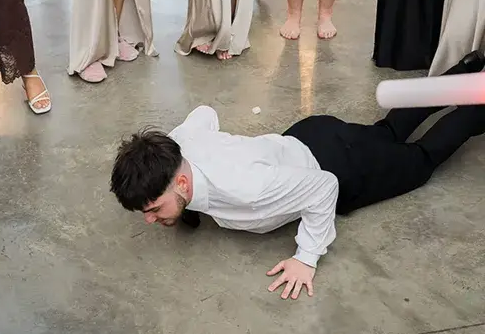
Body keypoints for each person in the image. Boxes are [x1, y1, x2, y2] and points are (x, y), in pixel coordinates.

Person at [110, 52, 485, 301]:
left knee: (421, 158)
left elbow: (324, 187)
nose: (149, 219)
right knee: (386, 132)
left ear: (182, 183)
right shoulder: (178, 146)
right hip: (309, 133)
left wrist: (306, 257)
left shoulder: (246, 189)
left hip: (340, 166)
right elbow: (204, 113)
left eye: (154, 208)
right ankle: (466, 68)